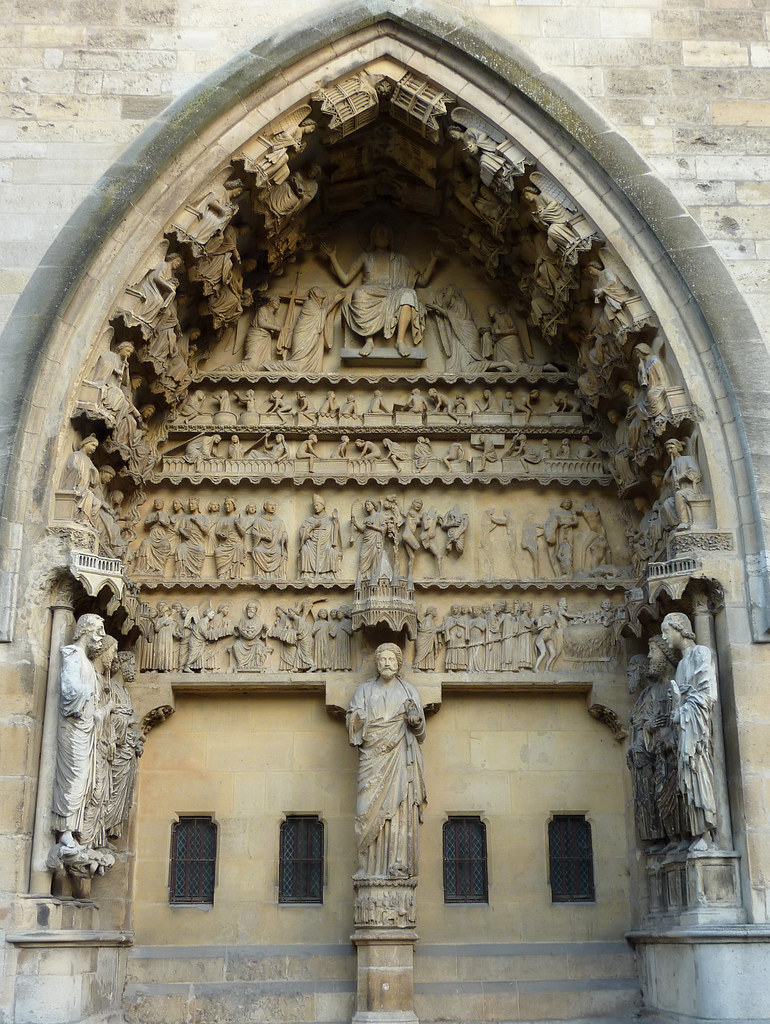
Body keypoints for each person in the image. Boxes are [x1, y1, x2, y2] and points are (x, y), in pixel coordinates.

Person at [347, 643, 427, 879]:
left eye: (391, 659)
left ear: (399, 664)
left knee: (398, 809)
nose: (387, 663)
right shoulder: (363, 691)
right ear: (377, 664)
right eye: (382, 659)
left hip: (399, 757)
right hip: (372, 758)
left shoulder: (409, 692)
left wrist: (415, 722)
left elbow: (421, 734)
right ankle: (367, 867)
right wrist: (357, 720)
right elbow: (352, 724)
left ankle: (396, 864)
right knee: (364, 812)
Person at [322, 223, 440, 357]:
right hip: (370, 291)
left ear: (391, 238)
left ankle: (400, 341)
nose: (382, 235)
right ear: (372, 237)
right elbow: (345, 280)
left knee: (409, 294)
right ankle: (369, 340)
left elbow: (422, 281)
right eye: (379, 232)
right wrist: (332, 258)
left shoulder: (400, 259)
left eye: (385, 233)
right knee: (358, 293)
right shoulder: (365, 257)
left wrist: (434, 259)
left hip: (395, 292)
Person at [662, 612, 718, 851]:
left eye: (667, 632)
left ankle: (706, 833)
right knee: (686, 781)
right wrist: (676, 705)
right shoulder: (682, 664)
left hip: (696, 731)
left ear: (679, 629)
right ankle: (695, 834)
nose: (664, 638)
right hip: (684, 727)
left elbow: (707, 695)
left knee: (699, 775)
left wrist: (682, 705)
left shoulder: (701, 654)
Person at [51, 614, 107, 849]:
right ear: (86, 629)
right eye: (99, 630)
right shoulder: (72, 654)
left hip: (86, 727)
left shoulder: (88, 662)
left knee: (84, 779)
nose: (101, 636)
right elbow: (68, 689)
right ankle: (64, 831)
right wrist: (89, 693)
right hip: (74, 725)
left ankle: (73, 831)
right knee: (73, 776)